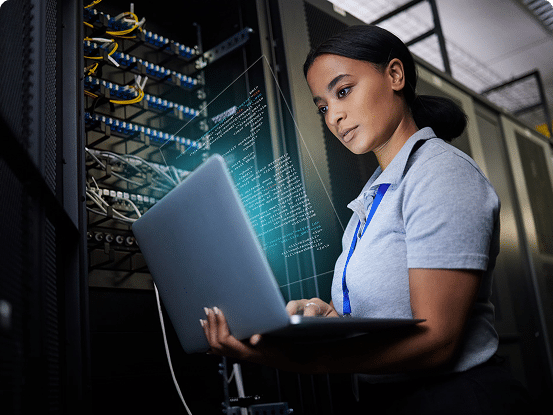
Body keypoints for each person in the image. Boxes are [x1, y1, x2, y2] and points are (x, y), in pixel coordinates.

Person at [200, 25, 537, 414]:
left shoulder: (441, 174)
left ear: (395, 75)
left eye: (343, 91)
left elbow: (438, 341)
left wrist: (300, 361)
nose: (334, 117)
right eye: (323, 106)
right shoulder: (374, 197)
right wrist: (333, 316)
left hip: (457, 400)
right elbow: (386, 311)